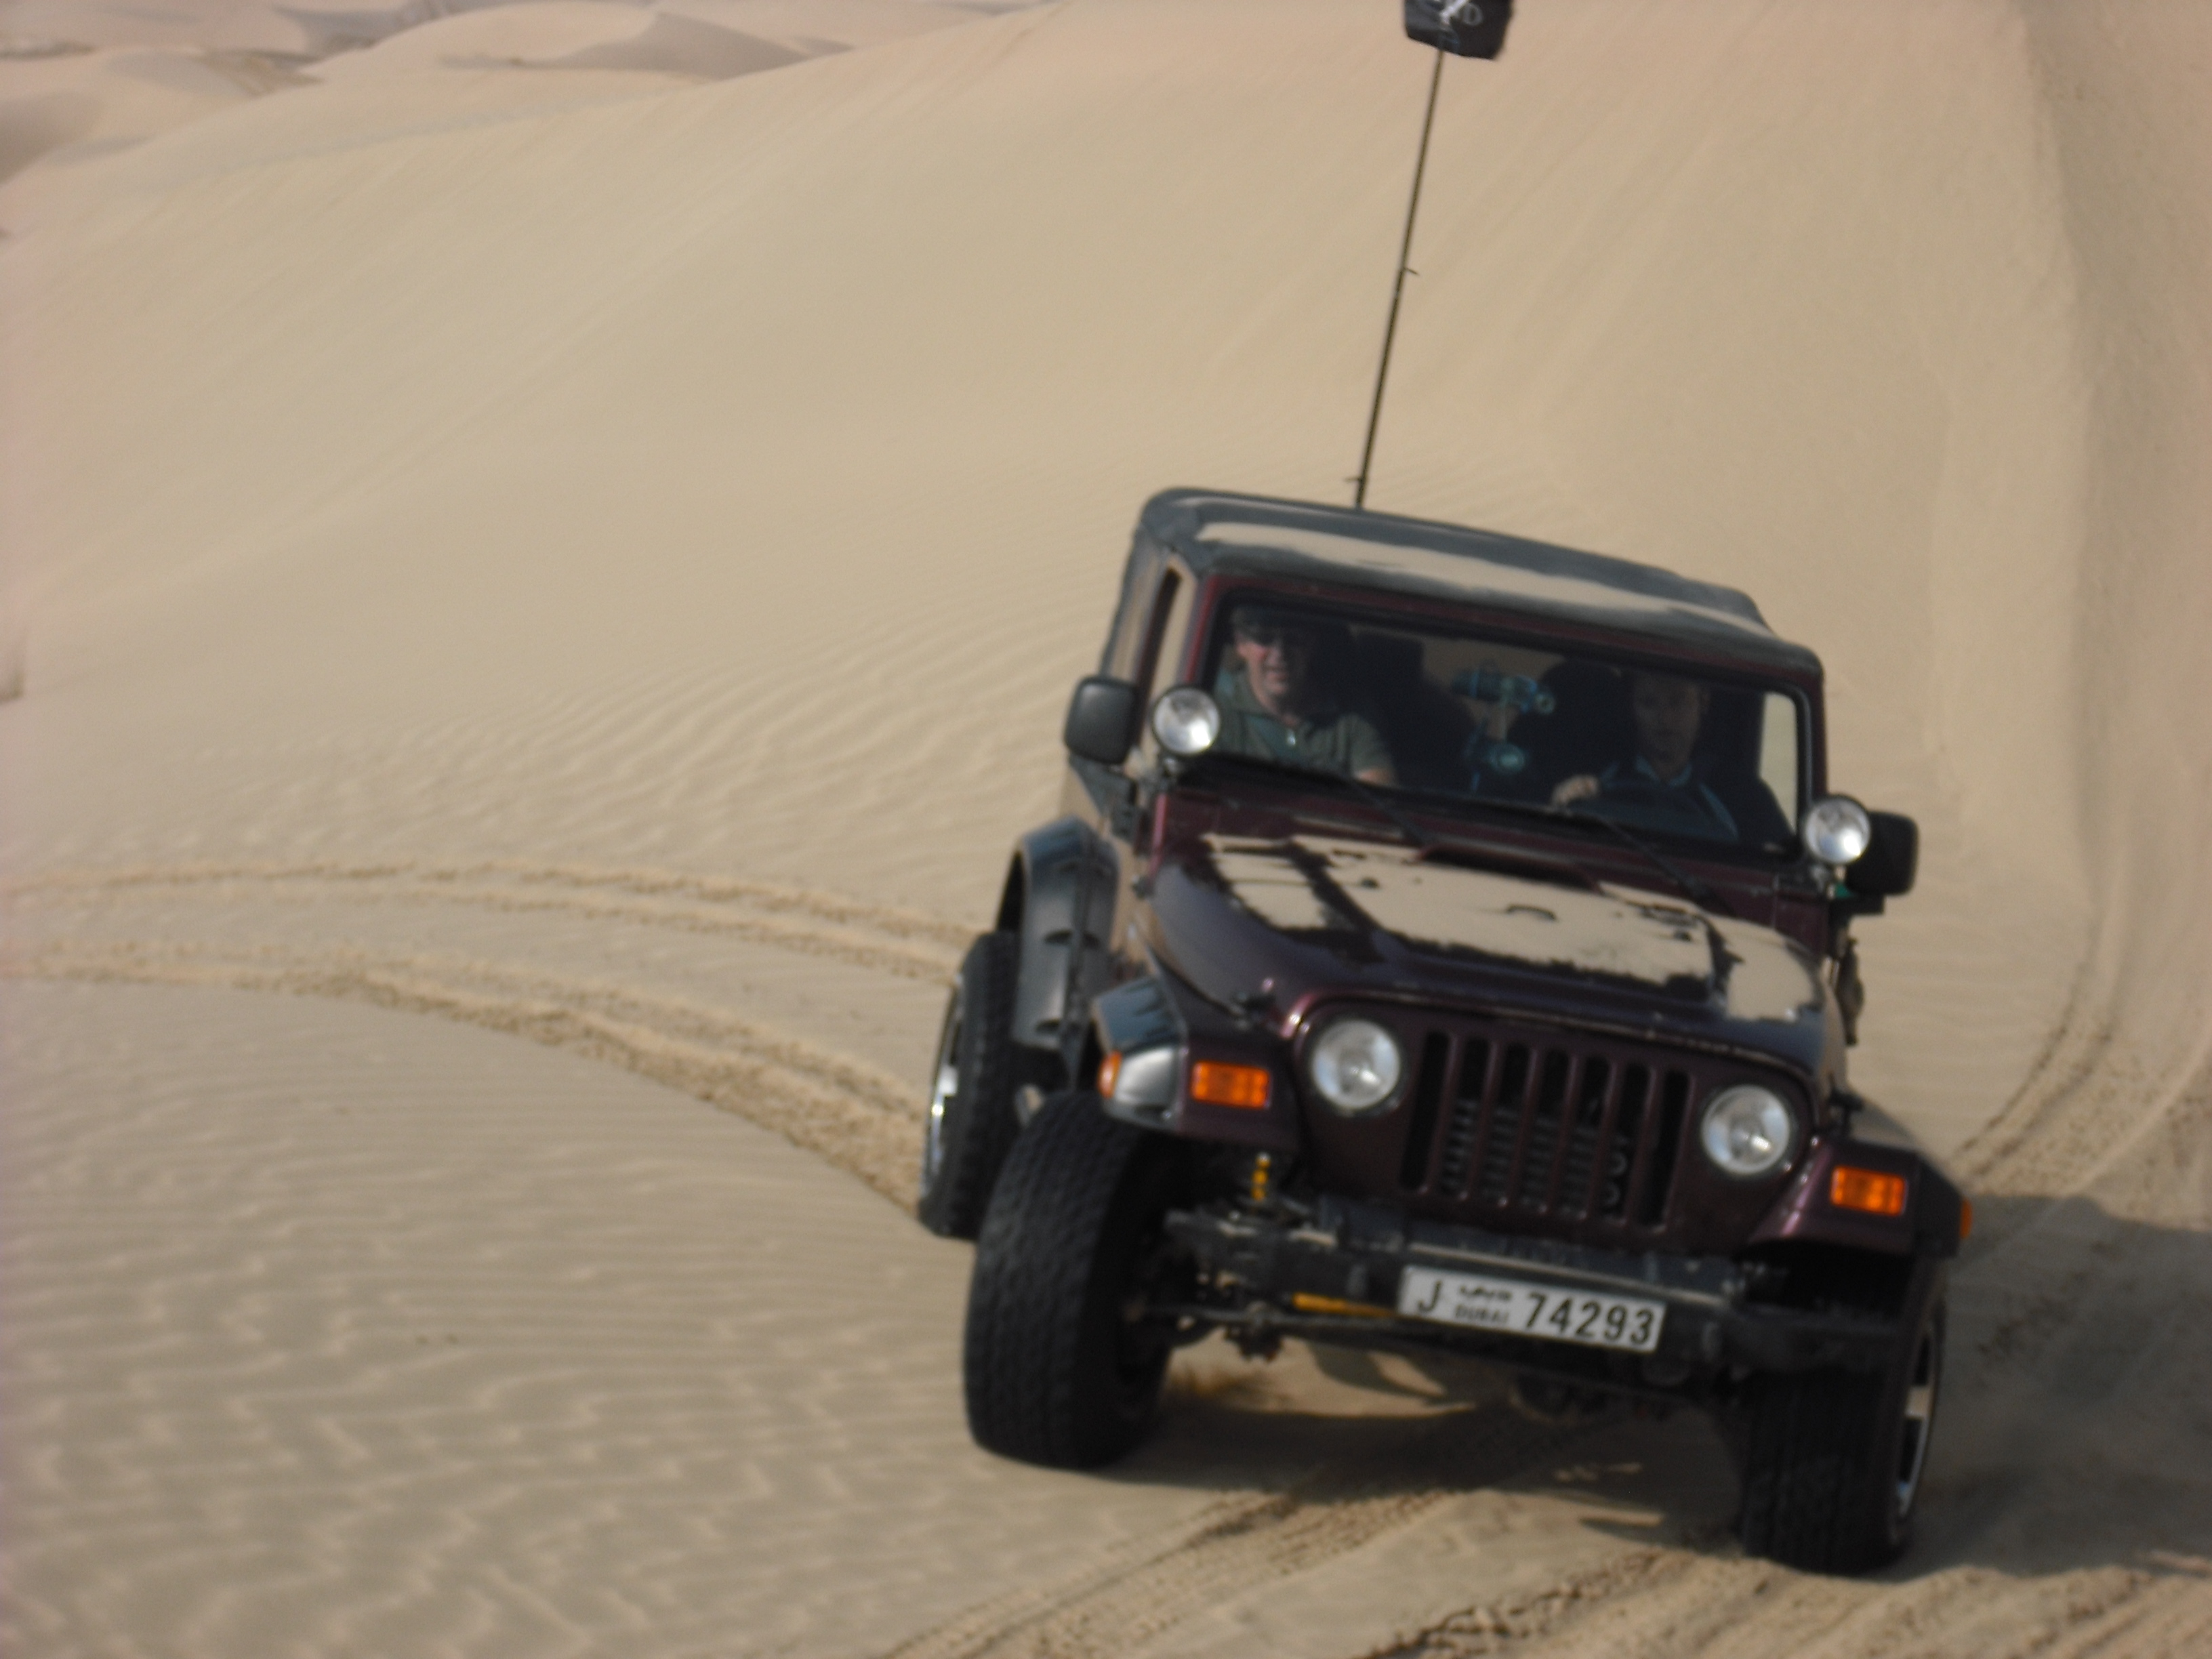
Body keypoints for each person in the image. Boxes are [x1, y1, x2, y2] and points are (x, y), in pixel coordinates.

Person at [1212, 609, 1395, 784]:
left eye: (1293, 639)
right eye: (1265, 639)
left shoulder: (1353, 717)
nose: (1280, 653)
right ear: (1241, 643)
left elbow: (1376, 794)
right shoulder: (1214, 712)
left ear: (1311, 643)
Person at [1549, 670, 1738, 839]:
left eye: (1677, 702)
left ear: (1703, 702)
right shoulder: (1596, 782)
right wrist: (1567, 799)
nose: (1665, 719)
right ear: (1631, 707)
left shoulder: (1730, 800)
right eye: (1649, 703)